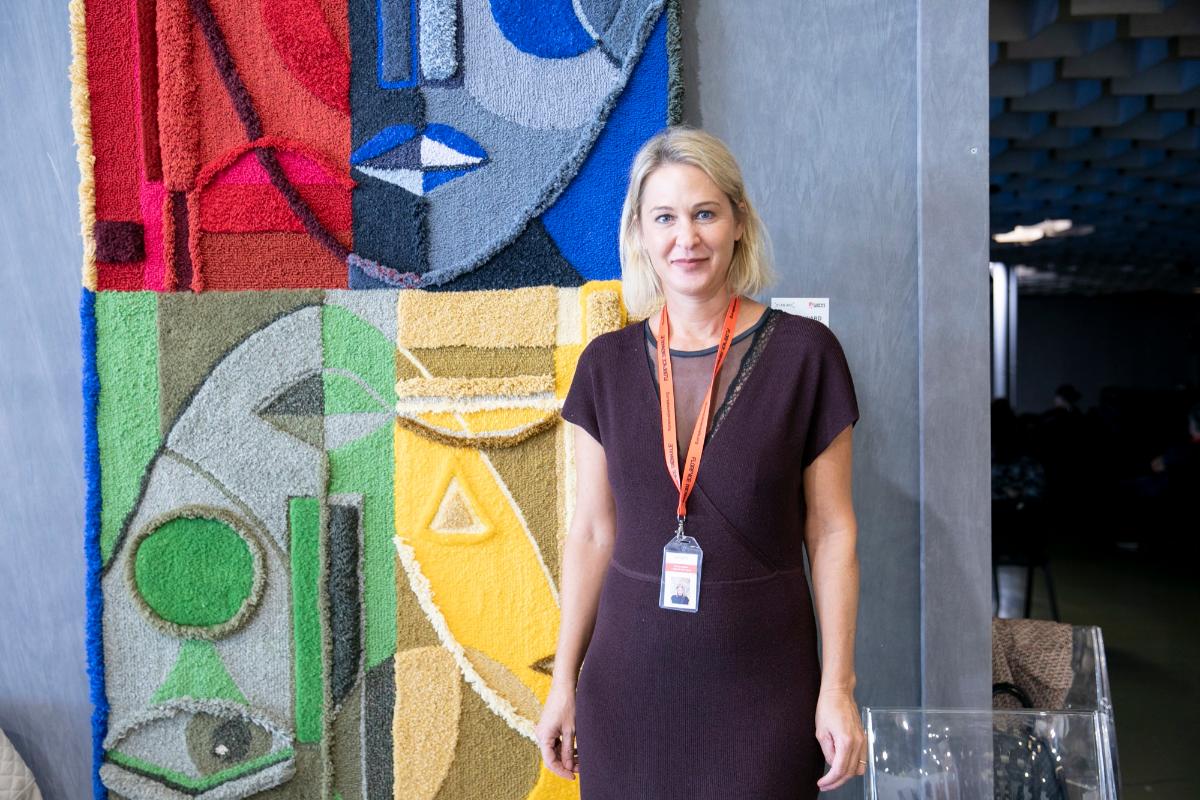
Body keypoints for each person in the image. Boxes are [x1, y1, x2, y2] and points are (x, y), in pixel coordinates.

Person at [535, 126, 864, 798]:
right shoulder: (604, 366)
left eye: (705, 213)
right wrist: (563, 682)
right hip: (626, 688)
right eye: (664, 218)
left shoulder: (806, 355)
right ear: (640, 233)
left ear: (739, 222)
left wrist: (837, 686)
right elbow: (592, 532)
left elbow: (831, 531)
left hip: (765, 684)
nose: (686, 238)